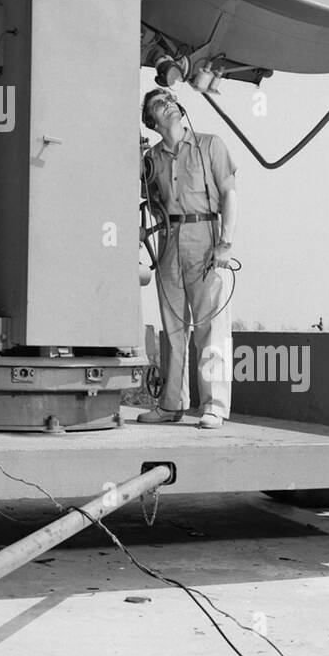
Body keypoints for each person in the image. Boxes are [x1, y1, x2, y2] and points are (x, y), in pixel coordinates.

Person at [138, 88, 238, 430]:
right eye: (158, 104)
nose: (169, 105)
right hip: (169, 241)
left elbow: (230, 193)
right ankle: (172, 404)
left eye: (169, 99)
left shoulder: (211, 145)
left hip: (205, 237)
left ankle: (214, 406)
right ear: (152, 122)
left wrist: (225, 244)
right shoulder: (151, 159)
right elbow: (149, 203)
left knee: (211, 328)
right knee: (174, 329)